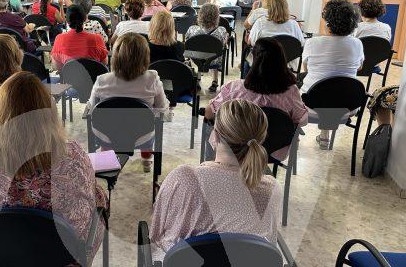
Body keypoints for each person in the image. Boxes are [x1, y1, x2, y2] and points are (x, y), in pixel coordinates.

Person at [0, 72, 107, 262]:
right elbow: (83, 217)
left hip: (5, 253)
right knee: (98, 197)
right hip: (62, 257)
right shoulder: (72, 156)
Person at [150, 99, 281, 257]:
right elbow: (269, 243)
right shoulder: (272, 189)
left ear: (216, 136)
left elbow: (158, 236)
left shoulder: (185, 178)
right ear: (260, 140)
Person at [205, 38, 308, 161]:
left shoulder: (234, 88)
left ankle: (211, 166)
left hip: (234, 150)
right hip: (273, 152)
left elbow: (209, 113)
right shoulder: (291, 92)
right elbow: (302, 121)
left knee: (210, 126)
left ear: (253, 59)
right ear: (282, 61)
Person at [88, 33, 169, 172]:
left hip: (107, 134)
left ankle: (105, 163)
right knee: (147, 123)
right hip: (141, 135)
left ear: (115, 56)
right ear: (145, 57)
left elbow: (90, 108)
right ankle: (146, 160)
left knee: (105, 129)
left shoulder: (102, 80)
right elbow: (162, 109)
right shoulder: (152, 79)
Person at [302, 0, 364, 148]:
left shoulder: (313, 43)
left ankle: (293, 135)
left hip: (312, 105)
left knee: (321, 88)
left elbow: (306, 68)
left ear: (327, 21)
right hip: (347, 106)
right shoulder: (357, 43)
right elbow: (360, 67)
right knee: (335, 89)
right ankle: (324, 136)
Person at [185, 3, 229, 92]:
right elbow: (224, 44)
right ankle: (215, 81)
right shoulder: (222, 30)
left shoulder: (192, 29)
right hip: (214, 60)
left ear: (200, 15)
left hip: (195, 59)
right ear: (217, 17)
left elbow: (186, 42)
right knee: (214, 52)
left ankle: (196, 79)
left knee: (195, 53)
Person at [51, 6, 108, 71]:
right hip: (94, 80)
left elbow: (56, 67)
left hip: (69, 79)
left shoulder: (59, 39)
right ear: (84, 18)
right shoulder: (97, 38)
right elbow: (105, 62)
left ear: (67, 20)